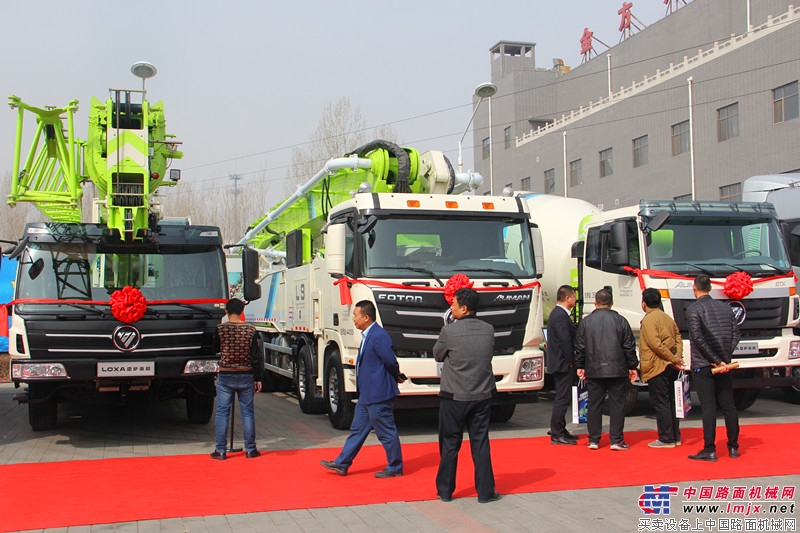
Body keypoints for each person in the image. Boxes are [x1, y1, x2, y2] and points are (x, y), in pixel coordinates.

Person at [321, 300, 405, 477]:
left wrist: (396, 376)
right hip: (366, 395)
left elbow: (390, 361)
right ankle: (342, 463)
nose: (353, 318)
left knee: (386, 432)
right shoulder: (369, 335)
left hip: (378, 394)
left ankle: (395, 466)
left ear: (366, 317)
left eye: (355, 315)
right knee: (357, 430)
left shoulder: (379, 336)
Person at [433, 287, 501, 504]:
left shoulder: (449, 331)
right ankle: (485, 492)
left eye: (453, 304)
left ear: (464, 308)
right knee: (480, 443)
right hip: (481, 395)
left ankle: (445, 490)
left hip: (454, 396)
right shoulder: (488, 329)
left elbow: (437, 355)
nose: (451, 308)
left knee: (450, 444)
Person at [574, 288, 638, 451]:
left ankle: (593, 439)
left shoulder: (586, 322)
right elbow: (629, 346)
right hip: (617, 369)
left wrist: (580, 365)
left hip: (594, 368)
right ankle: (616, 439)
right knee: (617, 404)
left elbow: (580, 346)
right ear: (612, 303)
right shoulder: (620, 320)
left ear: (595, 302)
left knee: (594, 404)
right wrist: (633, 366)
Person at [686, 275, 741, 462]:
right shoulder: (726, 307)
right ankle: (733, 447)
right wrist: (724, 358)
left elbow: (698, 338)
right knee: (728, 405)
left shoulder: (694, 309)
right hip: (724, 364)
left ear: (694, 287)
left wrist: (716, 360)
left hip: (704, 364)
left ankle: (710, 449)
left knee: (708, 406)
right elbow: (736, 335)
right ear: (710, 287)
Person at [211, 298, 262, 460]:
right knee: (247, 413)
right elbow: (256, 356)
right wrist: (258, 378)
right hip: (246, 374)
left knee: (222, 412)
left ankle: (220, 450)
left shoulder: (220, 329)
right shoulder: (250, 329)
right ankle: (250, 449)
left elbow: (215, 349)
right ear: (242, 311)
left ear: (226, 311)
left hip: (226, 375)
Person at [639, 288, 685, 448]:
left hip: (658, 365)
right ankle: (675, 436)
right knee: (671, 401)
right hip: (671, 365)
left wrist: (673, 358)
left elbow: (655, 344)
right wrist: (677, 356)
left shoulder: (649, 319)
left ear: (644, 303)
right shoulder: (667, 317)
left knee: (661, 402)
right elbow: (678, 337)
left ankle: (666, 437)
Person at [547, 285, 580, 445]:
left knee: (563, 397)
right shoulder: (560, 315)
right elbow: (565, 341)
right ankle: (557, 432)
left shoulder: (560, 314)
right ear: (567, 298)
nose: (575, 300)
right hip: (563, 364)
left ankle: (561, 428)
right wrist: (572, 361)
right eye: (574, 297)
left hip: (561, 362)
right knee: (562, 398)